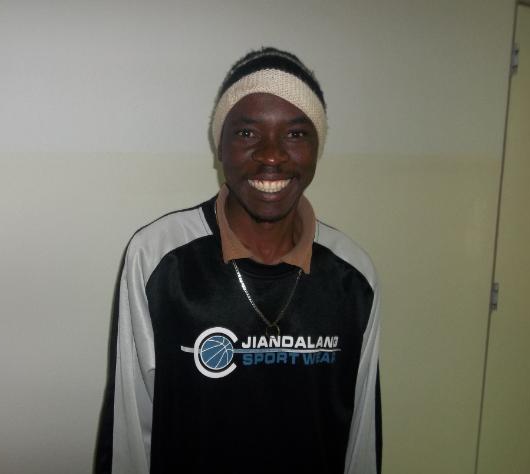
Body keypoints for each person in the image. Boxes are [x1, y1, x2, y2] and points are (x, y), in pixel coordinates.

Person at [95, 47, 381, 474]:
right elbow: (130, 430)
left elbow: (361, 439)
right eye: (247, 133)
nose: (272, 155)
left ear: (317, 148)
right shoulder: (157, 257)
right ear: (220, 147)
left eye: (295, 134)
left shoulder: (353, 274)